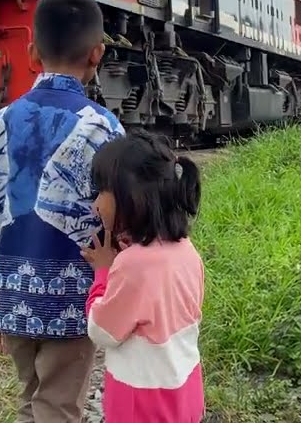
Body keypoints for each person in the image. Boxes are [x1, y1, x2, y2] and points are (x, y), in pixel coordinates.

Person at [0, 0, 124, 423]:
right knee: (58, 406)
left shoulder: (4, 119)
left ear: (31, 53)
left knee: (31, 400)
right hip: (73, 299)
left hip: (14, 292)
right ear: (97, 54)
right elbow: (115, 218)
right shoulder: (104, 125)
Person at [82, 131, 206, 423]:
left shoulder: (130, 264)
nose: (95, 205)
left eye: (102, 192)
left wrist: (103, 272)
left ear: (132, 197)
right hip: (184, 389)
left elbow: (101, 331)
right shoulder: (187, 251)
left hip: (142, 400)